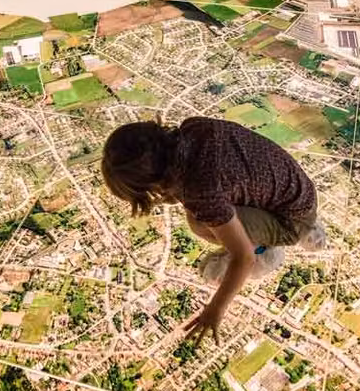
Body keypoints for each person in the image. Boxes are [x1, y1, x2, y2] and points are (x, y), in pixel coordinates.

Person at [102, 117, 325, 346]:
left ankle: (268, 250)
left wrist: (214, 310)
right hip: (301, 191)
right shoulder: (195, 128)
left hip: (291, 222)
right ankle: (292, 225)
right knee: (206, 213)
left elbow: (244, 258)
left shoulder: (200, 192)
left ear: (150, 184)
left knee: (198, 222)